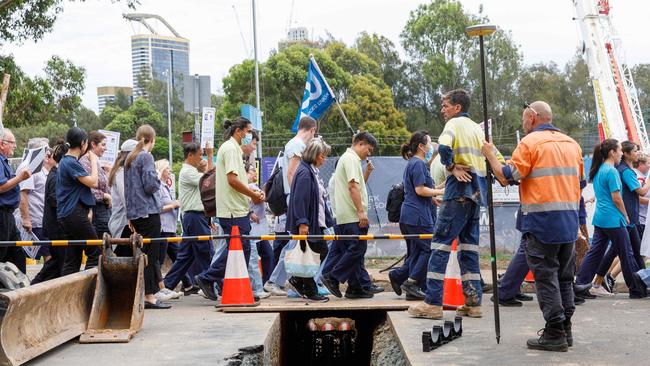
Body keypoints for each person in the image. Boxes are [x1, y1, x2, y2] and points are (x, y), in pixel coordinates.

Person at [482, 101, 584, 351]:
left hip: (541, 224)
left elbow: (507, 176)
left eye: (524, 119)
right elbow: (579, 184)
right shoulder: (572, 144)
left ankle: (555, 332)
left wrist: (490, 155)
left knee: (546, 278)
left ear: (533, 117)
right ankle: (565, 328)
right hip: (568, 224)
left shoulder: (529, 144)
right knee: (564, 278)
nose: (523, 124)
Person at [408, 89, 503, 319]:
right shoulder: (478, 131)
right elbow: (497, 160)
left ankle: (432, 303)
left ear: (457, 107)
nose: (442, 110)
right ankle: (473, 303)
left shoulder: (454, 125)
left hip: (457, 190)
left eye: (445, 105)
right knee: (469, 248)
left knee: (440, 244)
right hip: (476, 193)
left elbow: (443, 147)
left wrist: (451, 167)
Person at [193, 117, 265, 301]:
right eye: (248, 131)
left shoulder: (231, 148)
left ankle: (231, 286)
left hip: (236, 209)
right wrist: (253, 195)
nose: (250, 135)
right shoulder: (231, 149)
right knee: (239, 249)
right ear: (239, 131)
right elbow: (233, 180)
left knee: (240, 249)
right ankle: (207, 278)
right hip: (233, 210)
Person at [573, 139, 647, 301]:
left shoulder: (600, 169)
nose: (621, 153)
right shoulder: (612, 171)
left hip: (601, 218)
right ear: (612, 152)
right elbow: (616, 198)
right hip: (614, 219)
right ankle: (635, 289)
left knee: (595, 253)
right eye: (619, 150)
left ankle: (581, 284)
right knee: (626, 254)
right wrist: (625, 215)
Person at [320, 131, 378, 299]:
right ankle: (333, 277)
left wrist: (366, 173)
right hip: (352, 215)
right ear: (360, 143)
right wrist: (361, 212)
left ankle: (356, 286)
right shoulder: (351, 159)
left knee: (344, 250)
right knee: (357, 248)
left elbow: (356, 186)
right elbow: (353, 187)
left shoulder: (348, 159)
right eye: (368, 149)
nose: (369, 153)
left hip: (345, 214)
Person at [264, 116, 317, 296]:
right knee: (294, 243)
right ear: (312, 130)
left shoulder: (293, 145)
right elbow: (291, 172)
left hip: (292, 197)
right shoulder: (296, 146)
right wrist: (297, 197)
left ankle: (284, 280)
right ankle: (275, 280)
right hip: (293, 198)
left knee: (295, 242)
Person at [389, 131, 443, 301]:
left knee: (416, 252)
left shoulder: (414, 163)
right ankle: (411, 282)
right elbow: (420, 190)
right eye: (429, 144)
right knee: (430, 248)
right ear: (421, 146)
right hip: (417, 216)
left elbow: (417, 190)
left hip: (411, 215)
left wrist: (433, 197)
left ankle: (400, 278)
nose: (431, 147)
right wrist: (440, 191)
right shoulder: (418, 164)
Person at [124, 124, 170, 309]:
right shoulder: (146, 156)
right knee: (151, 255)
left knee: (142, 253)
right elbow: (150, 185)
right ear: (152, 139)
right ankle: (149, 295)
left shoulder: (130, 157)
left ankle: (143, 293)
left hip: (135, 212)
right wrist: (158, 176)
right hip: (148, 211)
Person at [285, 138, 334, 302]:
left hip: (315, 221)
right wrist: (302, 223)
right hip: (308, 223)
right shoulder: (305, 172)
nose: (324, 159)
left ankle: (299, 281)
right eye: (323, 156)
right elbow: (300, 199)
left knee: (314, 253)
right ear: (315, 155)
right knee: (315, 253)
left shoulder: (310, 170)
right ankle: (309, 288)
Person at [163, 142, 215, 296]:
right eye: (200, 154)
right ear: (190, 155)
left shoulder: (191, 171)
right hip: (194, 217)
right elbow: (210, 181)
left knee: (185, 256)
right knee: (207, 252)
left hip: (194, 217)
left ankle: (167, 285)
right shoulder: (188, 172)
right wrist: (211, 155)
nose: (202, 157)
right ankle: (211, 285)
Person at [57, 127, 101, 275]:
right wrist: (94, 161)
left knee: (73, 259)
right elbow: (93, 182)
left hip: (68, 215)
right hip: (73, 214)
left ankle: (68, 296)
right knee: (95, 252)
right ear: (83, 143)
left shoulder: (66, 161)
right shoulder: (70, 162)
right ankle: (87, 293)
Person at [32, 142, 67, 284]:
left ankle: (36, 284)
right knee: (58, 261)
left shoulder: (55, 173)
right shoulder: (55, 175)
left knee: (56, 261)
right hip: (55, 227)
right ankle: (36, 284)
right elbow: (53, 199)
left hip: (55, 226)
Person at [0, 128, 31, 273]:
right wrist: (20, 178)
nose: (15, 146)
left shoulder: (4, 162)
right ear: (2, 144)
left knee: (18, 254)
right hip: (2, 215)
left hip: (8, 216)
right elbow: (1, 187)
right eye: (12, 143)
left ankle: (19, 290)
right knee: (3, 254)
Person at [154, 159, 184, 301]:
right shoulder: (158, 186)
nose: (170, 171)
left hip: (170, 227)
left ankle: (189, 283)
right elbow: (157, 207)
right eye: (168, 169)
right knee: (159, 259)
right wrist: (173, 205)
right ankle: (158, 288)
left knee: (178, 257)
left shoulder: (165, 186)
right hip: (163, 227)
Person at [18, 138, 51, 262]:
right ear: (39, 151)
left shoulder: (39, 167)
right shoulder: (29, 166)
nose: (49, 153)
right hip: (35, 221)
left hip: (41, 219)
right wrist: (26, 219)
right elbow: (23, 193)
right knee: (49, 257)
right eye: (46, 149)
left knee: (49, 256)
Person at [79, 131, 112, 245]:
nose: (105, 148)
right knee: (101, 247)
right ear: (93, 144)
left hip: (104, 210)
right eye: (103, 145)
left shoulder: (96, 162)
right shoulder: (85, 161)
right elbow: (88, 188)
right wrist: (105, 196)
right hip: (96, 210)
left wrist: (107, 173)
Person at [107, 140, 137, 241]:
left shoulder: (124, 171)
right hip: (123, 223)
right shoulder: (121, 172)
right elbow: (126, 197)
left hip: (126, 221)